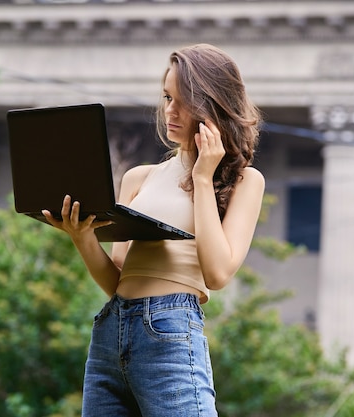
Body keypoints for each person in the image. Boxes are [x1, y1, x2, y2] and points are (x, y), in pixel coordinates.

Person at [42, 43, 265, 417]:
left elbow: (218, 272)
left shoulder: (244, 181)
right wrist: (82, 237)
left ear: (213, 106)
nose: (170, 111)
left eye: (183, 101)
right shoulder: (138, 178)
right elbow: (116, 280)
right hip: (111, 330)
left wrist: (203, 178)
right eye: (166, 97)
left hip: (171, 326)